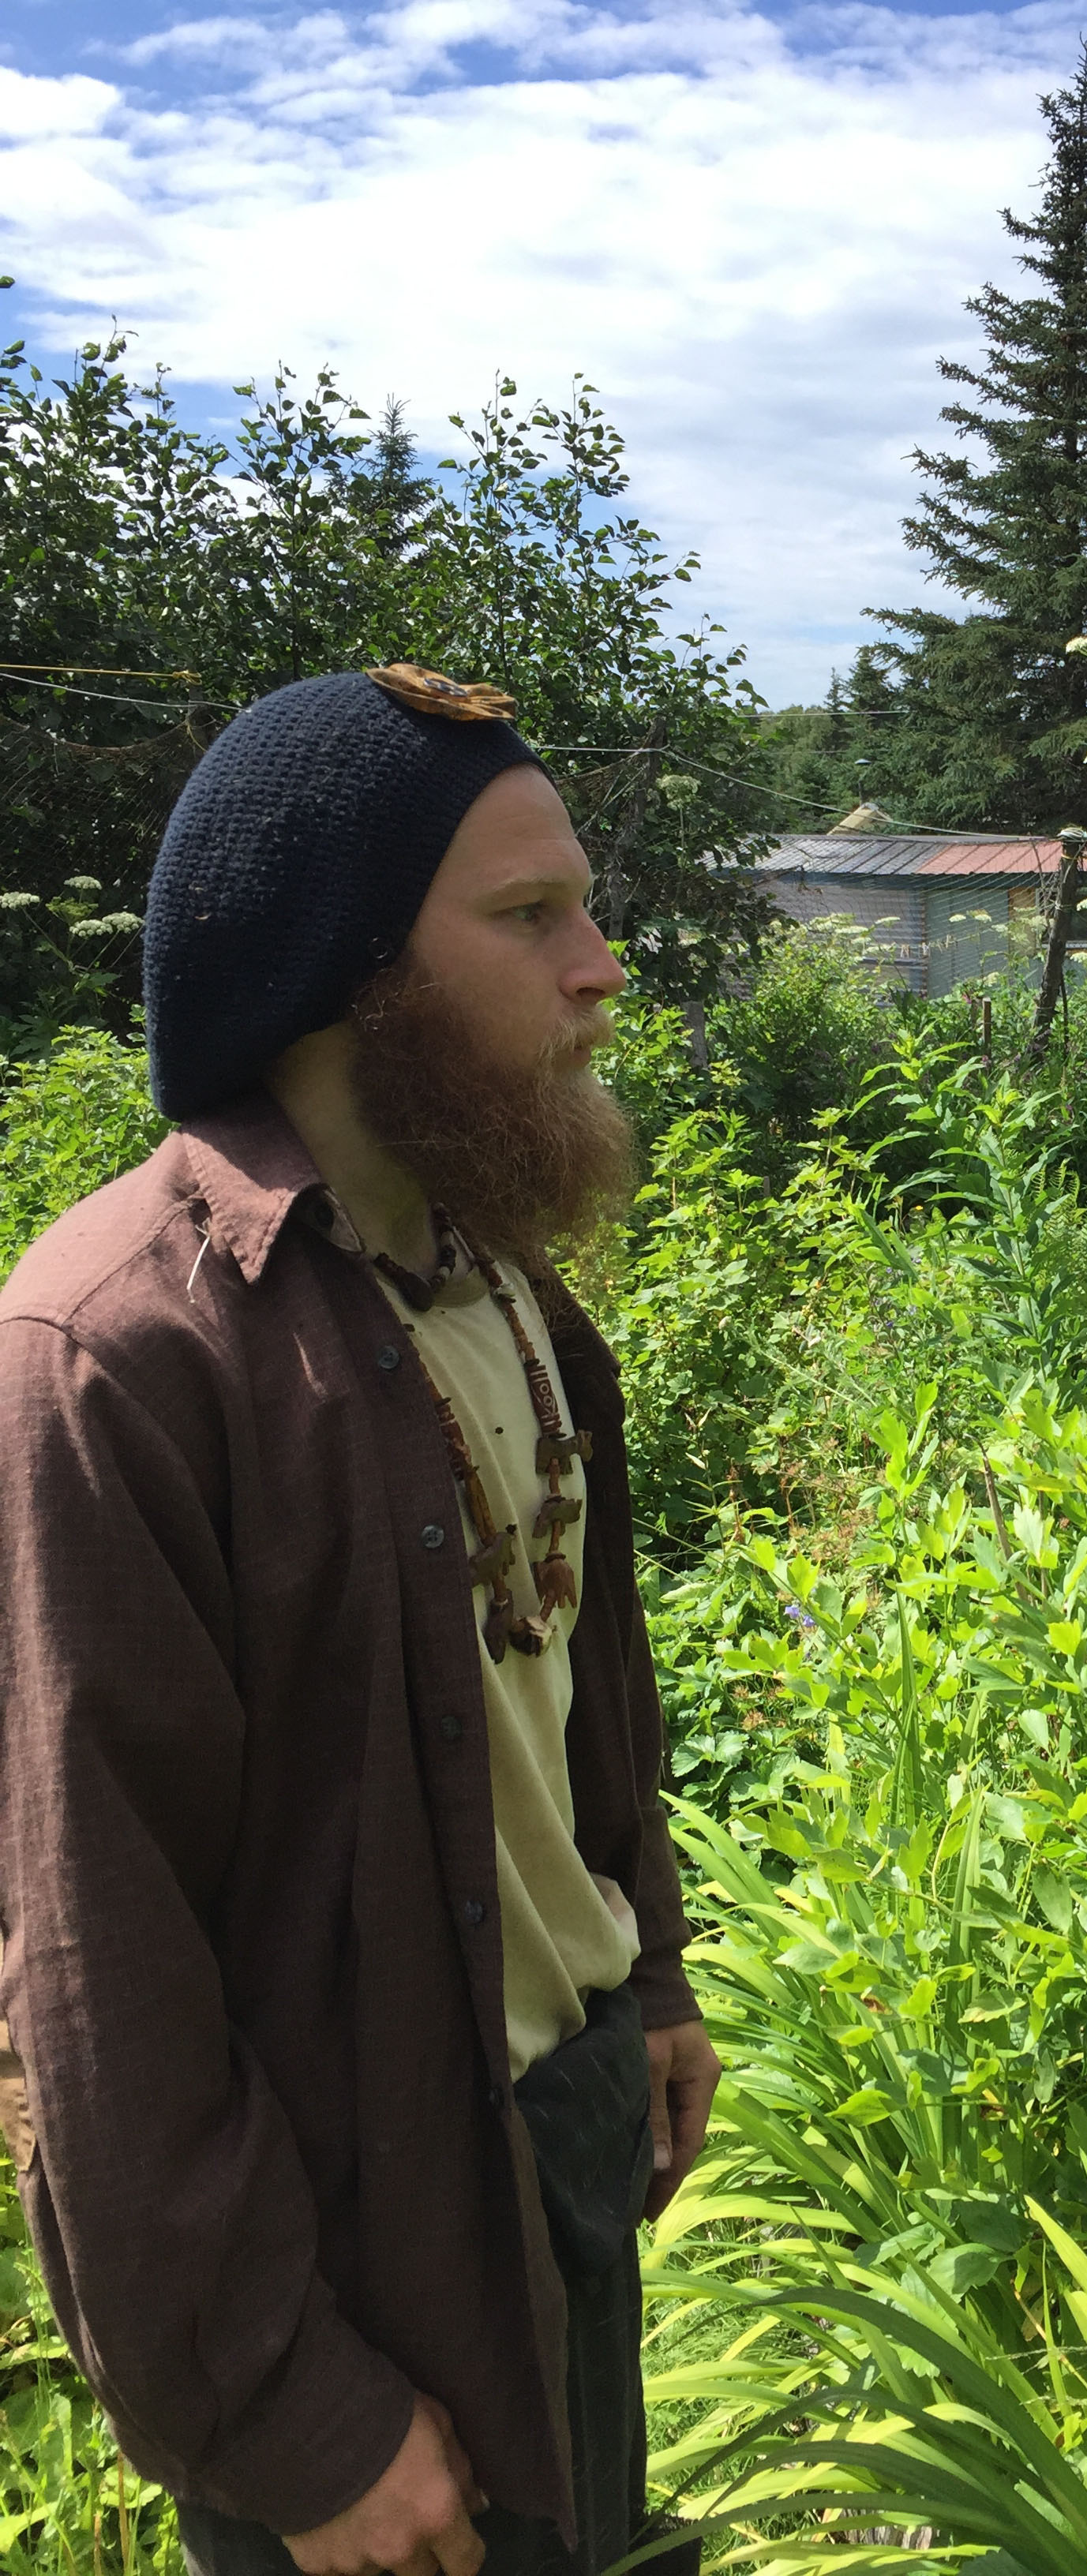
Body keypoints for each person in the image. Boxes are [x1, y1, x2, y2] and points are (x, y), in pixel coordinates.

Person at [0, 665, 721, 2576]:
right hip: (339, 2231)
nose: (602, 968)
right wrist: (294, 2421)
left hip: (555, 2126)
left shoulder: (504, 1288)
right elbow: (98, 1968)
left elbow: (584, 1699)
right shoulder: (121, 1355)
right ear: (347, 968)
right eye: (527, 916)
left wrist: (639, 1974)